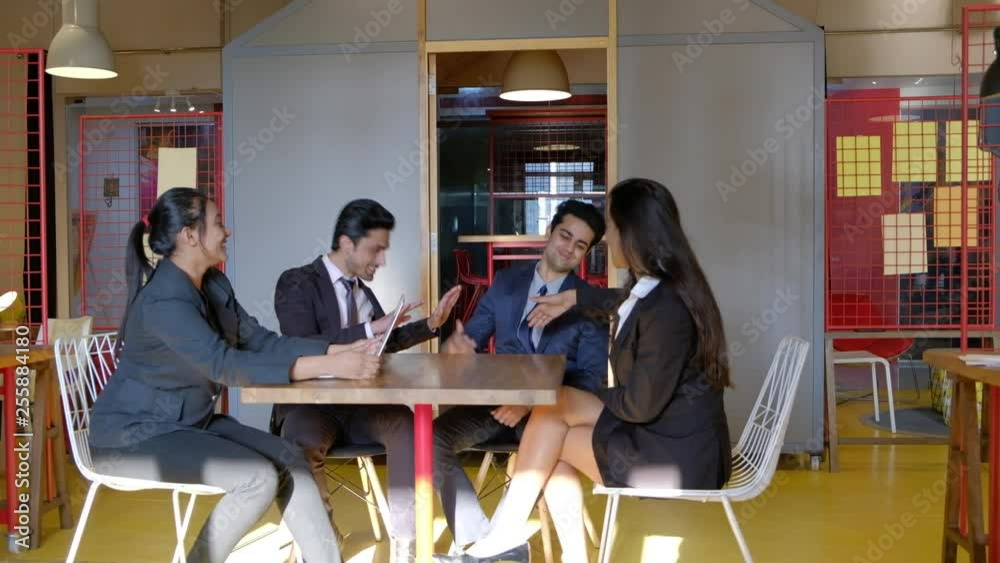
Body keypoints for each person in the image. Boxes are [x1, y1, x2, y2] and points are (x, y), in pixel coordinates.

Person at [435, 178, 733, 563]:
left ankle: (498, 544)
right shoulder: (656, 289)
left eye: (609, 229)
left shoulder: (666, 308)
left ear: (632, 233)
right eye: (566, 236)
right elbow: (624, 302)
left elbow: (638, 404)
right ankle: (515, 546)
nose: (606, 240)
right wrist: (575, 299)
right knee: (554, 427)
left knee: (553, 419)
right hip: (664, 433)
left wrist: (576, 398)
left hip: (674, 457)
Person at [87, 188, 380, 563]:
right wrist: (328, 367)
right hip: (132, 437)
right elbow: (224, 364)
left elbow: (258, 340)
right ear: (190, 236)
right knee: (257, 479)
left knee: (292, 459)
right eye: (218, 223)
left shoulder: (211, 284)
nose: (228, 232)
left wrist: (334, 352)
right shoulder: (162, 302)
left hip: (189, 422)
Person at [271, 198, 462, 563]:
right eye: (376, 249)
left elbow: (381, 343)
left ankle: (407, 548)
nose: (382, 260)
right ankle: (323, 543)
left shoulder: (363, 292)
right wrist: (369, 327)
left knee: (407, 425)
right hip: (312, 406)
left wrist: (432, 324)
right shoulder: (296, 282)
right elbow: (301, 344)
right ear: (347, 243)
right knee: (299, 442)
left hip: (360, 406)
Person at [434, 200, 609, 558]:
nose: (569, 249)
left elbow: (590, 382)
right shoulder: (506, 283)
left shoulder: (587, 304)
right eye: (565, 236)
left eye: (581, 245)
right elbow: (474, 337)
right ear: (549, 232)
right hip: (496, 406)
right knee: (428, 439)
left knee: (558, 460)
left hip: (553, 413)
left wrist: (532, 401)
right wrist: (458, 347)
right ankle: (477, 538)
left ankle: (496, 545)